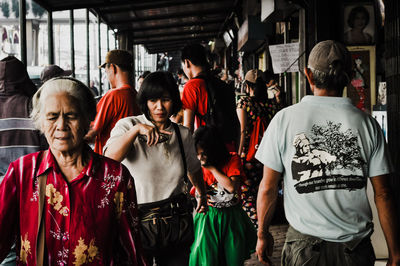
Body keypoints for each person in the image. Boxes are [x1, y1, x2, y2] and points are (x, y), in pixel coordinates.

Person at [255, 40, 400, 265]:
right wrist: (395, 253)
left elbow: (268, 188)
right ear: (350, 76)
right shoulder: (367, 124)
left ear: (308, 75)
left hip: (303, 251)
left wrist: (262, 235)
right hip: (355, 251)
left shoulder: (283, 120)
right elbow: (383, 194)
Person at [0, 77, 146, 265]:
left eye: (71, 116)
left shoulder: (115, 177)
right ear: (41, 123)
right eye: (52, 116)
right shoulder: (22, 173)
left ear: (87, 121)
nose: (61, 125)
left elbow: (131, 248)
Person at [104, 71, 207, 266]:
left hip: (175, 221)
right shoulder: (127, 125)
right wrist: (136, 131)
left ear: (174, 101)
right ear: (145, 101)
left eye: (166, 100)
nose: (159, 107)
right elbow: (109, 159)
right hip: (137, 221)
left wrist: (202, 193)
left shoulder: (182, 134)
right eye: (153, 100)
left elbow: (193, 169)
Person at [0, 56, 48, 266]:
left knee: (6, 245)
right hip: (33, 189)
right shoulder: (33, 106)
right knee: (33, 243)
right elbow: (49, 150)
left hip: (1, 190)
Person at [189, 126, 257, 266]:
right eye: (197, 154)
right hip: (207, 217)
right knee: (207, 259)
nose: (200, 158)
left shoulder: (232, 159)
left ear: (214, 150)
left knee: (233, 258)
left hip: (232, 217)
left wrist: (212, 168)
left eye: (204, 154)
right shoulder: (196, 166)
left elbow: (231, 187)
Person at [236, 69, 282, 228]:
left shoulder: (244, 102)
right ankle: (264, 223)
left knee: (247, 194)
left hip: (249, 155)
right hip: (267, 156)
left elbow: (242, 130)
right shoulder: (271, 104)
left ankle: (259, 226)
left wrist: (238, 154)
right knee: (263, 191)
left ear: (247, 85)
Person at [181, 44, 239, 152]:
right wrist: (237, 153)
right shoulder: (223, 85)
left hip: (207, 152)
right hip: (229, 149)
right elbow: (237, 124)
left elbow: (188, 128)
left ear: (187, 62)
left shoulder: (192, 86)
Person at [85, 49, 141, 155]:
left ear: (112, 68)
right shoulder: (136, 95)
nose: (107, 76)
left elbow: (91, 132)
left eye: (106, 72)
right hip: (131, 159)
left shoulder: (114, 95)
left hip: (109, 161)